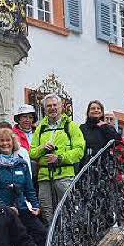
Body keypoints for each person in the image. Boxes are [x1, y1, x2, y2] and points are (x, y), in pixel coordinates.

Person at [0, 128, 47, 246]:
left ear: (13, 143)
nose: (5, 143)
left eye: (8, 140)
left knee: (41, 233)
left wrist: (35, 206)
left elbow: (29, 189)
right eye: (1, 141)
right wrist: (6, 208)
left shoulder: (22, 163)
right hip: (0, 210)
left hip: (22, 208)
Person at [29, 94, 86, 224]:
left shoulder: (71, 126)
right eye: (49, 106)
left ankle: (70, 241)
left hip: (64, 175)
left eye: (55, 105)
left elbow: (79, 151)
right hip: (44, 177)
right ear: (44, 109)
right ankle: (52, 242)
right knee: (47, 213)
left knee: (68, 209)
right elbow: (32, 153)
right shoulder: (40, 128)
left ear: (61, 107)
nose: (52, 108)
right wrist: (43, 148)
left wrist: (59, 158)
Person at [79, 100, 121, 168]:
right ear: (88, 112)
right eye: (93, 108)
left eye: (98, 108)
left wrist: (104, 127)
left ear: (101, 112)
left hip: (103, 167)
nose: (96, 110)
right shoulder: (82, 128)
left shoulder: (107, 127)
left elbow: (117, 141)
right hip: (86, 165)